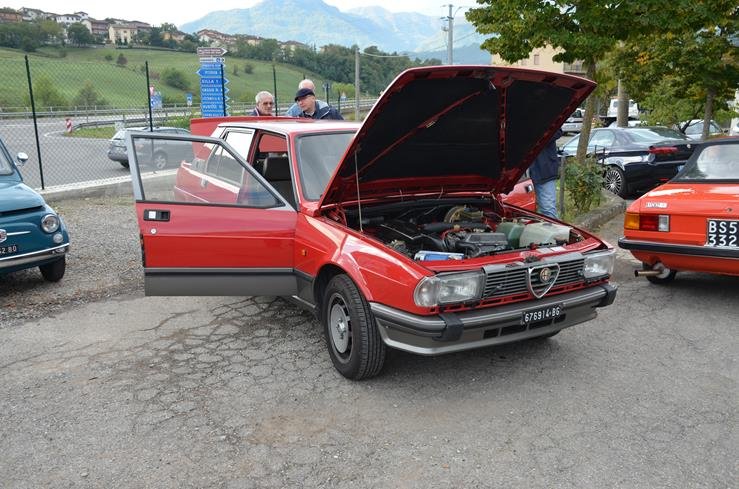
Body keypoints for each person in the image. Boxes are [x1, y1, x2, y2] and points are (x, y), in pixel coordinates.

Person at [529, 128, 563, 219]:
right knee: (523, 211)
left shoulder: (546, 118)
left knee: (548, 210)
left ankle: (553, 227)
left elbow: (557, 131)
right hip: (518, 174)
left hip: (543, 169)